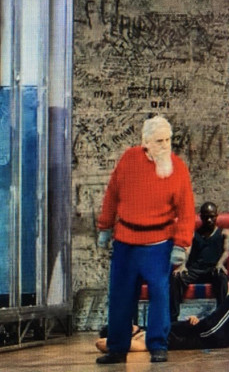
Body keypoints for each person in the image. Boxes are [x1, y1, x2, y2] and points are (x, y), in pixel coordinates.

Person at [96, 115, 196, 364]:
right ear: (146, 143)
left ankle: (158, 345)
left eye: (168, 140)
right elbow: (112, 194)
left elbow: (186, 210)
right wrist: (105, 226)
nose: (165, 145)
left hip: (158, 244)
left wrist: (181, 244)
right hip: (126, 242)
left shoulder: (177, 168)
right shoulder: (129, 159)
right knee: (120, 296)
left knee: (160, 295)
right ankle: (117, 349)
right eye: (159, 141)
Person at [96, 294, 229, 352]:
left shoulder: (147, 329)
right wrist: (118, 336)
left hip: (202, 328)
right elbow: (100, 343)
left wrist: (191, 320)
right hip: (207, 334)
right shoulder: (143, 340)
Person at [170, 201, 229, 321]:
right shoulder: (193, 234)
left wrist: (220, 263)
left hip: (213, 269)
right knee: (177, 278)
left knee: (222, 277)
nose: (209, 220)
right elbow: (187, 250)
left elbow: (226, 251)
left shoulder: (224, 233)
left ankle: (221, 318)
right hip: (195, 270)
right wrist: (182, 265)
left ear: (216, 216)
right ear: (201, 217)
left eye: (211, 216)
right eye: (206, 217)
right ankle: (173, 319)